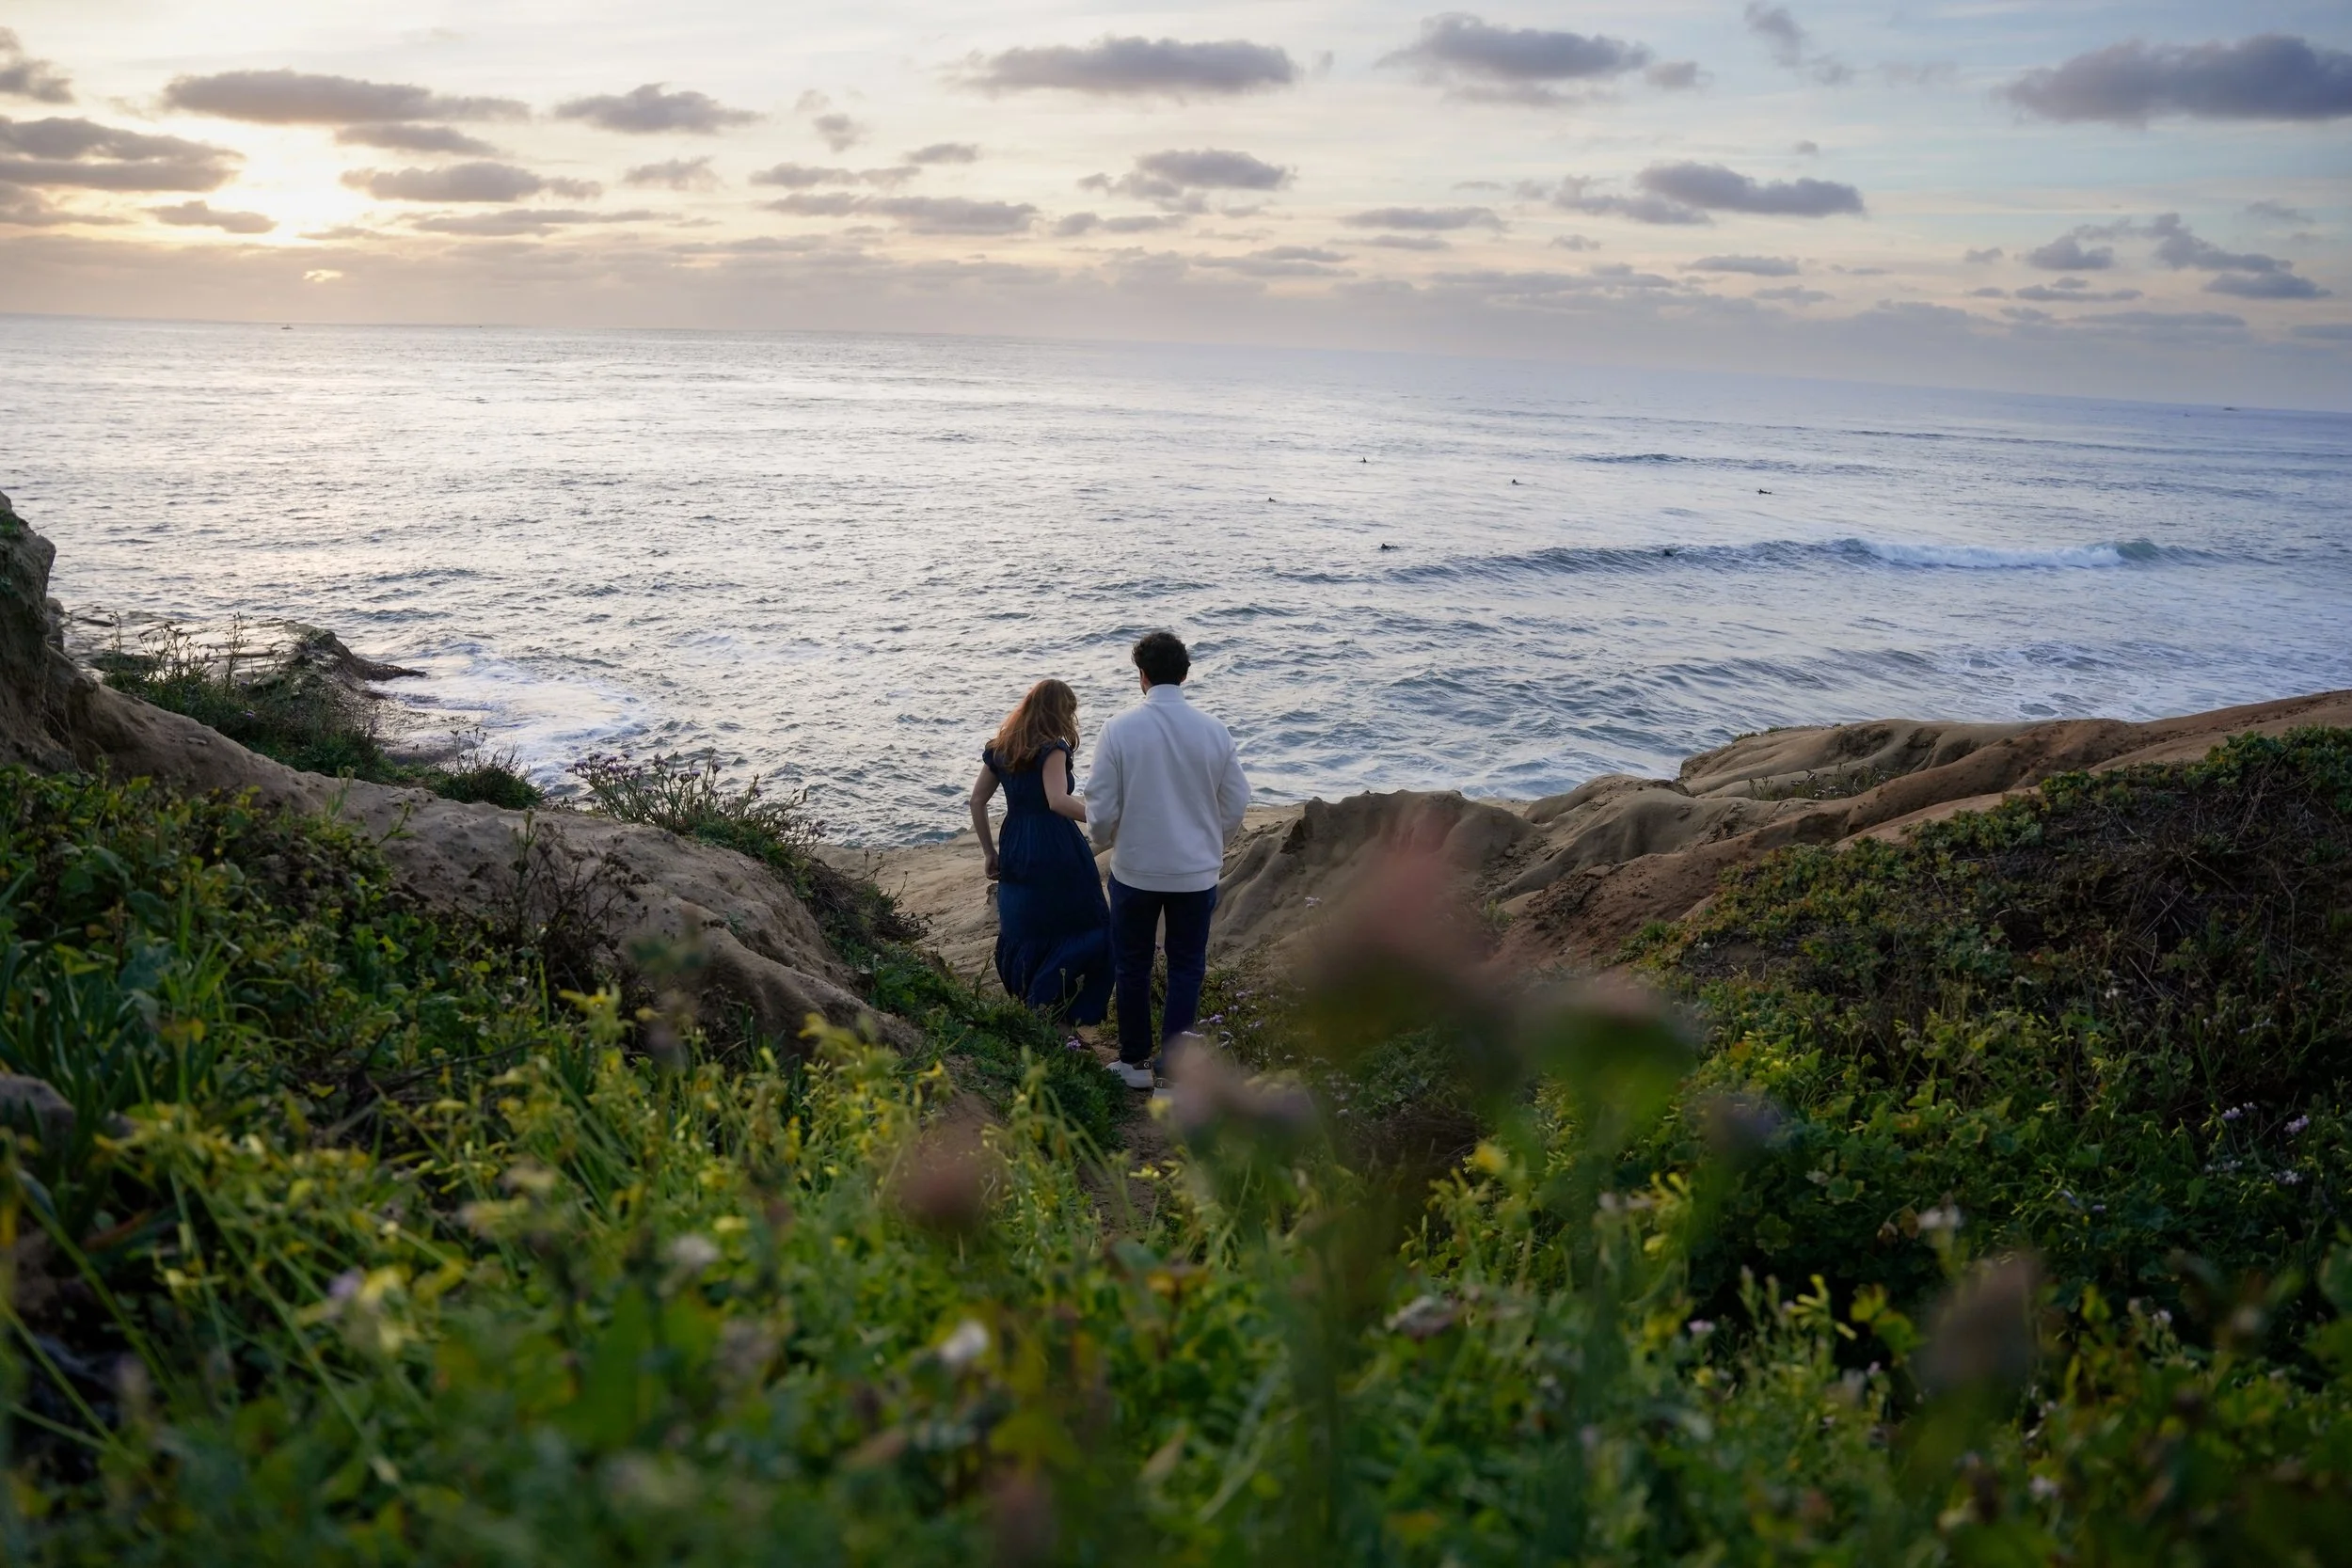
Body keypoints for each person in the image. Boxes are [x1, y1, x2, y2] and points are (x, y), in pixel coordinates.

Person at [1084, 631, 1251, 1089]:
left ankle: (1134, 1064)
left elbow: (1100, 805)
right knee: (1186, 968)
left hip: (1135, 869)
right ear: (1185, 674)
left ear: (1142, 676)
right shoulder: (1214, 730)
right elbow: (1236, 802)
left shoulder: (1118, 729)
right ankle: (1174, 1077)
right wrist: (1210, 845)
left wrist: (1108, 838)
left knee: (1132, 966)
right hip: (1195, 874)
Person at [969, 679, 1111, 1029]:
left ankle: (1037, 1007)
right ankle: (1067, 1012)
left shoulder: (1001, 748)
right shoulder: (1053, 748)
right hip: (1055, 845)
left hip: (1016, 842)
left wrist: (990, 851)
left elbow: (976, 801)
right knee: (1087, 923)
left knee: (1027, 926)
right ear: (1060, 711)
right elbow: (1057, 801)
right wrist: (1106, 820)